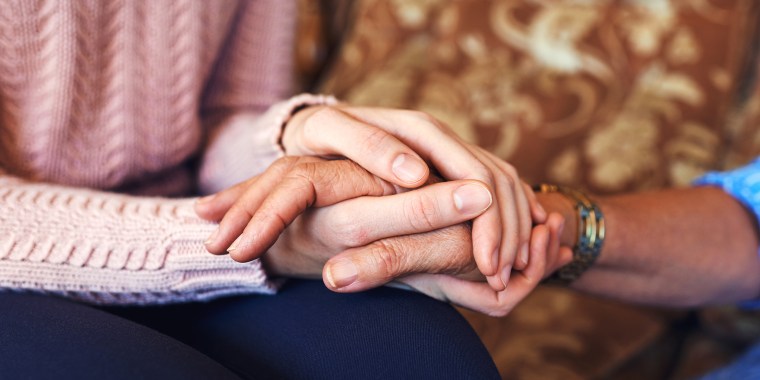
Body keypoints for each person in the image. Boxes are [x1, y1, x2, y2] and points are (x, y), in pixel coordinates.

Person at [0, 1, 554, 378]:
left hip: (191, 217)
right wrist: (259, 240)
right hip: (23, 261)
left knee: (425, 358)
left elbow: (221, 118)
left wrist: (298, 136)